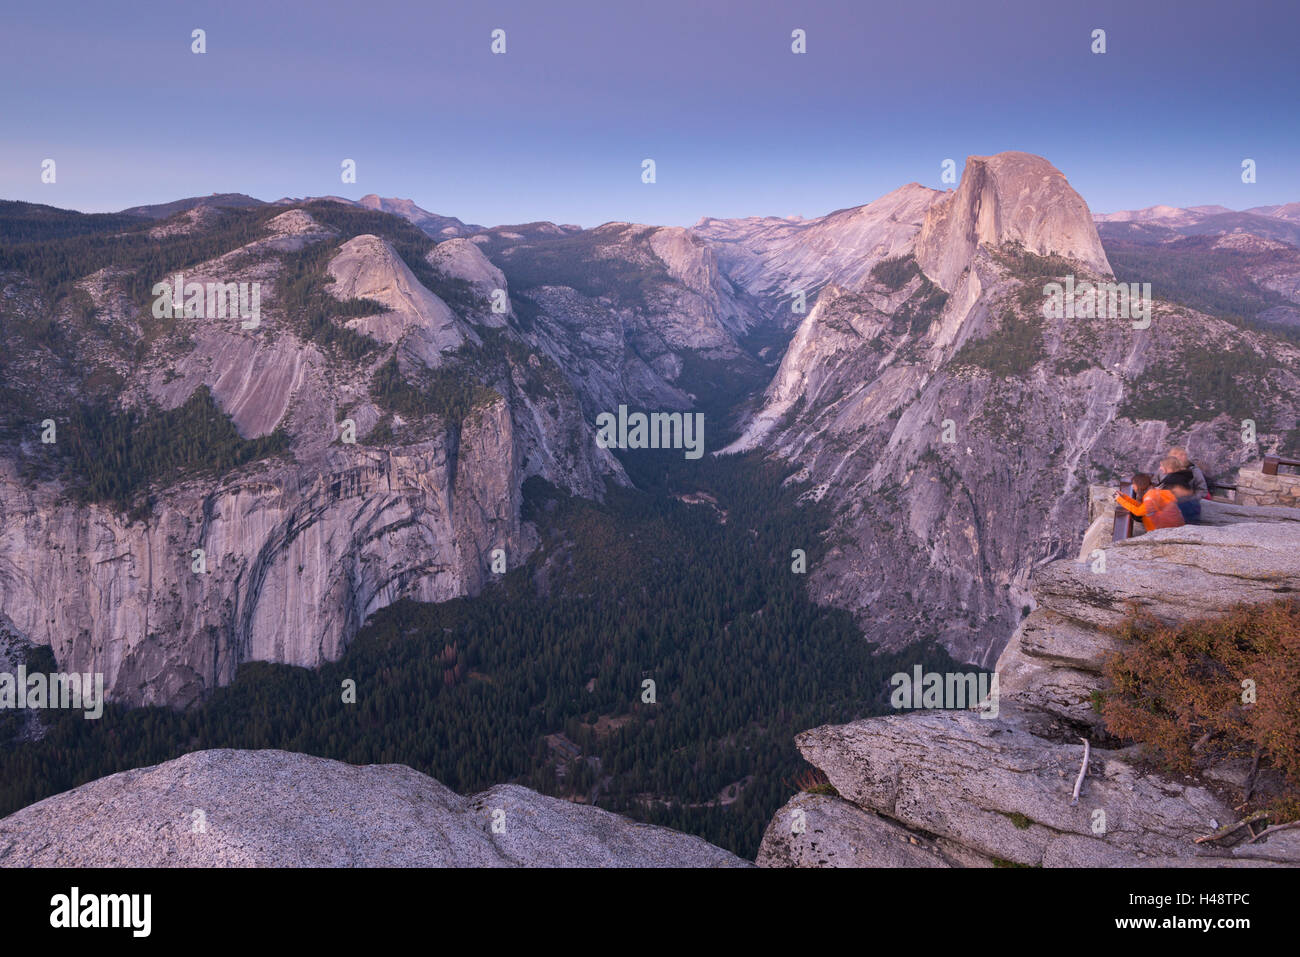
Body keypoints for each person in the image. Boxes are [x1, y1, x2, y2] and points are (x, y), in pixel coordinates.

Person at [1116, 472, 1185, 531]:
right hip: (1166, 528)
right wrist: (1124, 497)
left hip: (1160, 531)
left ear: (1139, 485)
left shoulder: (1151, 497)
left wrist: (1120, 500)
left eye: (1134, 484)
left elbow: (1138, 512)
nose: (1133, 486)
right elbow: (1141, 506)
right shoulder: (1153, 492)